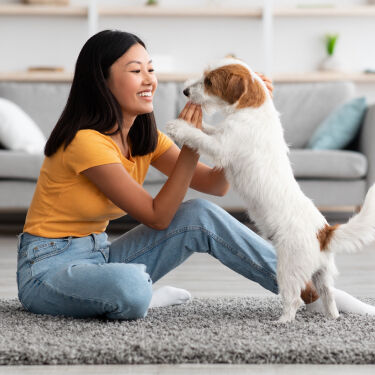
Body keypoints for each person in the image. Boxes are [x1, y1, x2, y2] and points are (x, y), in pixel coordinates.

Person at [16, 30, 375, 320]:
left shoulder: (144, 137)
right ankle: (141, 296)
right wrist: (192, 144)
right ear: (102, 81)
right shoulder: (85, 143)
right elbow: (158, 217)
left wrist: (249, 112)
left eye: (150, 69)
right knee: (131, 287)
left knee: (200, 215)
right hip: (47, 267)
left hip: (100, 255)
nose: (149, 80)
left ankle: (310, 293)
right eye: (135, 70)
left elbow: (215, 184)